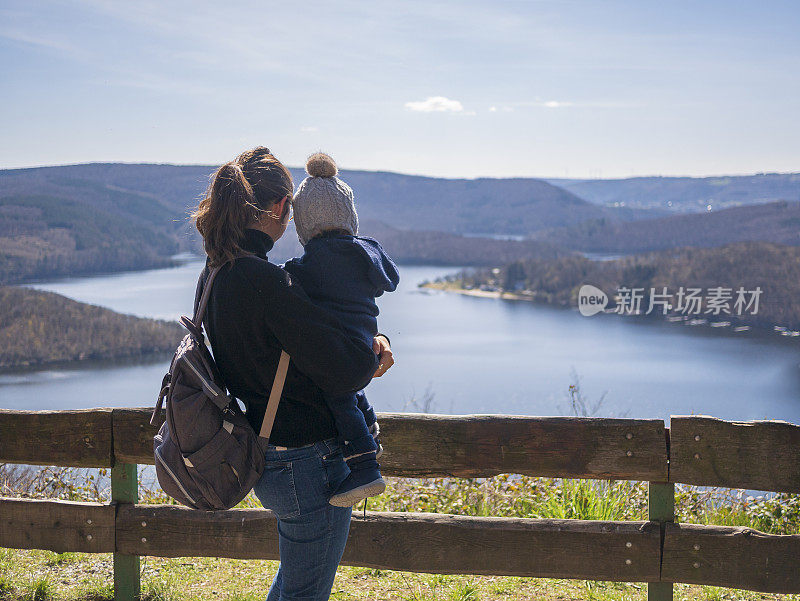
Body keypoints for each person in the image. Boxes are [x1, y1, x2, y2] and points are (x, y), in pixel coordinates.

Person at [192, 146, 394, 601]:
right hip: (309, 462)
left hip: (268, 453)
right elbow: (345, 369)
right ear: (282, 208)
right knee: (306, 591)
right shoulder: (267, 283)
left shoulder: (215, 274)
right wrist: (376, 348)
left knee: (296, 584)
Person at [284, 152, 399, 507]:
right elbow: (390, 280)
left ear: (302, 225)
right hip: (368, 350)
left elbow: (286, 287)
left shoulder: (306, 265)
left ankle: (365, 468)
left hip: (341, 358)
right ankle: (370, 430)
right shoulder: (369, 251)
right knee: (349, 393)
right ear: (350, 216)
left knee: (336, 394)